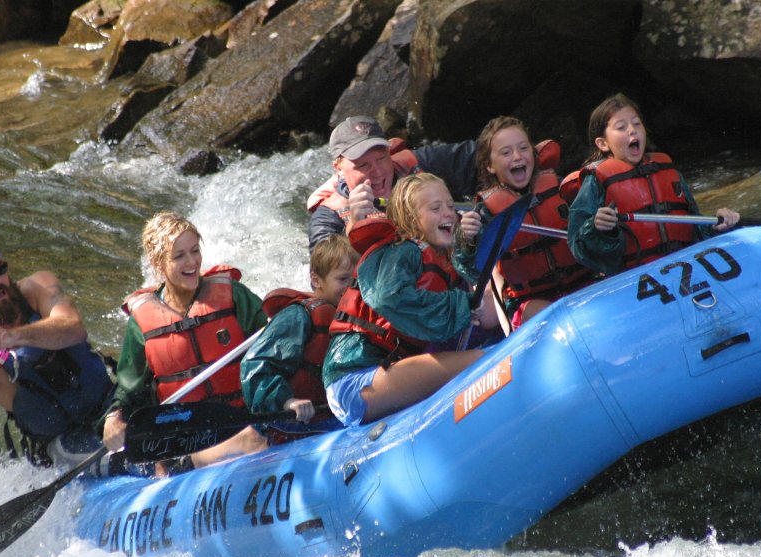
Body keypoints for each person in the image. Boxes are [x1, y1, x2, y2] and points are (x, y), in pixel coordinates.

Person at [0, 238, 114, 530]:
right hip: (62, 446)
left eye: (0, 270)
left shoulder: (38, 288)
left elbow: (73, 328)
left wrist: (14, 337)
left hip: (112, 406)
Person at [101, 211, 269, 476]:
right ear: (158, 263)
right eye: (179, 256)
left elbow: (271, 343)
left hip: (240, 417)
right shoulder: (143, 321)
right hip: (185, 436)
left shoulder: (233, 295)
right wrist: (114, 417)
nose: (192, 262)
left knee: (251, 436)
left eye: (194, 251)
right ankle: (175, 468)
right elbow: (128, 387)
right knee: (250, 441)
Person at [323, 173, 495, 427]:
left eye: (450, 205)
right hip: (353, 381)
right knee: (483, 363)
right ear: (411, 218)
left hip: (387, 371)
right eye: (435, 208)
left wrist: (467, 245)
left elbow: (474, 283)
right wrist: (461, 306)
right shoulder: (403, 251)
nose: (448, 213)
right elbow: (387, 297)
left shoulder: (438, 254)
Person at [563, 93, 740, 276]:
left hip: (685, 264)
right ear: (603, 143)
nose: (632, 130)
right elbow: (578, 247)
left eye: (637, 123)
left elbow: (696, 227)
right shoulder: (595, 182)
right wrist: (596, 228)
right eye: (621, 127)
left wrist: (718, 224)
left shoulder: (667, 171)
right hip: (635, 276)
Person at [458, 116, 596, 330]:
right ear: (490, 166)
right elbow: (470, 270)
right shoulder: (486, 213)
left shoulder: (560, 187)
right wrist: (466, 240)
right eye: (506, 152)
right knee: (551, 316)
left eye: (523, 148)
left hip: (582, 282)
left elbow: (593, 237)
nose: (517, 156)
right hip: (530, 300)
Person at [306, 116, 478, 250]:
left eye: (381, 158)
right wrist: (354, 226)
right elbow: (325, 280)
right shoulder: (328, 218)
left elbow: (483, 155)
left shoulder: (417, 164)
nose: (378, 172)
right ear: (339, 168)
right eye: (363, 165)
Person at [240, 234, 358, 430]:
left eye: (354, 279)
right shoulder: (298, 316)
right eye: (342, 279)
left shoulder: (356, 314)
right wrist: (288, 402)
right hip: (295, 425)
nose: (351, 286)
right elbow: (254, 367)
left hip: (336, 418)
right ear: (316, 280)